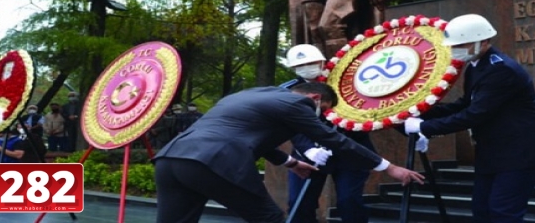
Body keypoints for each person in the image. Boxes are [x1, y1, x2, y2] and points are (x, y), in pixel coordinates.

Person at [153, 82, 424, 223]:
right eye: (325, 109)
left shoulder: (249, 96)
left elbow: (249, 137)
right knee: (269, 218)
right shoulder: (297, 104)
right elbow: (334, 139)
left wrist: (292, 162)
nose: (322, 115)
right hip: (214, 162)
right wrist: (388, 167)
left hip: (171, 159)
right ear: (316, 99)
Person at [403, 13, 535, 223]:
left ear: (482, 42)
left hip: (521, 152)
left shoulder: (501, 70)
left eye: (462, 44)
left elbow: (475, 114)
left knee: (503, 212)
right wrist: (422, 112)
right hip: (495, 151)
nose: (455, 50)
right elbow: (465, 103)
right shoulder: (476, 66)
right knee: (482, 209)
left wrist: (426, 127)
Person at [281, 44, 376, 223]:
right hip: (309, 154)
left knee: (349, 202)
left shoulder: (348, 82)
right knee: (299, 204)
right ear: (293, 68)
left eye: (312, 62)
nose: (306, 67)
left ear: (323, 61)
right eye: (300, 65)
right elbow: (287, 123)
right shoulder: (287, 91)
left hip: (349, 151)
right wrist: (308, 149)